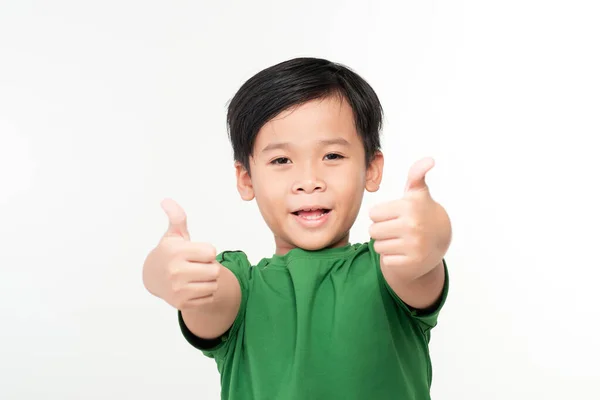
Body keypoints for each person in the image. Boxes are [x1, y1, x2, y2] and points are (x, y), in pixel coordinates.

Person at [142, 57, 452, 400]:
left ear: (371, 169)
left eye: (332, 155)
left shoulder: (389, 272)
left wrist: (431, 231)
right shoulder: (240, 287)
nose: (308, 181)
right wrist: (164, 272)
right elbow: (205, 298)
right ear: (246, 179)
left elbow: (421, 263)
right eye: (281, 161)